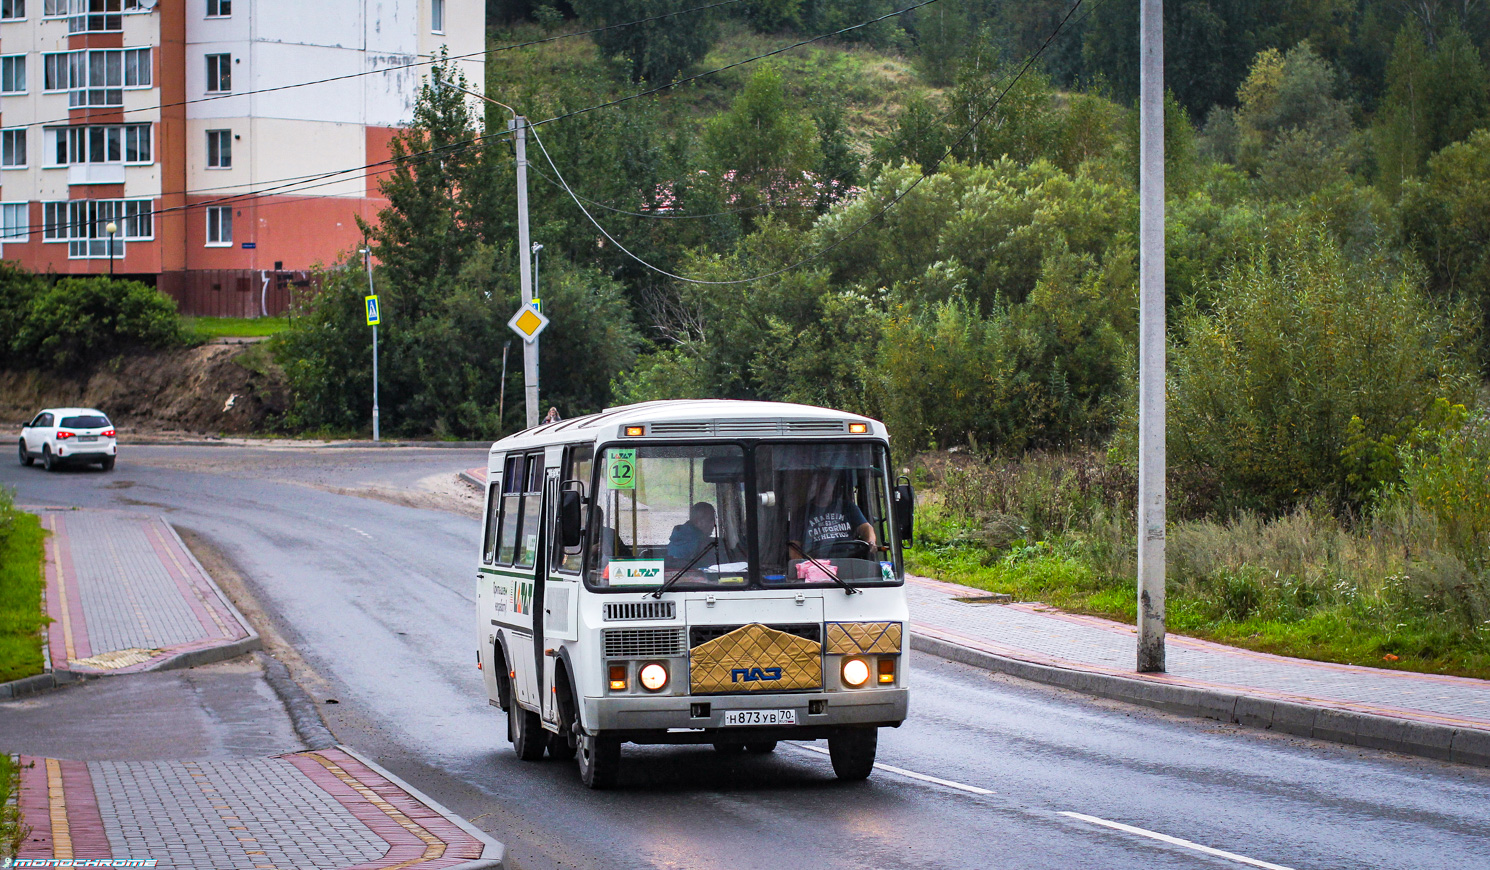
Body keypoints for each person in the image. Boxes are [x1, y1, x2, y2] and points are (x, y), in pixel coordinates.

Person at [788, 474, 876, 559]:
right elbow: (794, 549)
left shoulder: (848, 507)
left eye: (827, 483)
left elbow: (866, 528)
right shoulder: (801, 514)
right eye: (820, 484)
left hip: (850, 562)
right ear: (813, 487)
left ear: (833, 485)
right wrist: (805, 566)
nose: (824, 487)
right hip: (817, 565)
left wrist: (870, 541)